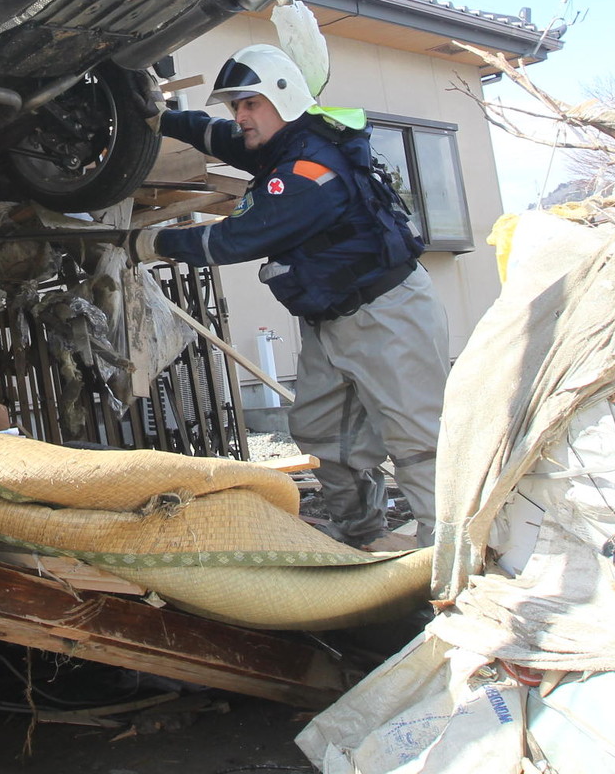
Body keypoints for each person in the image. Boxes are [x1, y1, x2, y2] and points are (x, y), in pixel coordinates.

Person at [130, 43, 451, 547]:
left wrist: (151, 241)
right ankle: (359, 533)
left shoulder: (310, 171)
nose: (240, 116)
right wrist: (160, 118)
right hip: (333, 319)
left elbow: (236, 237)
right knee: (321, 430)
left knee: (417, 436)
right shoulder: (284, 147)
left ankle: (450, 548)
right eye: (236, 105)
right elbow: (219, 139)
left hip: (387, 313)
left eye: (250, 104)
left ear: (284, 98)